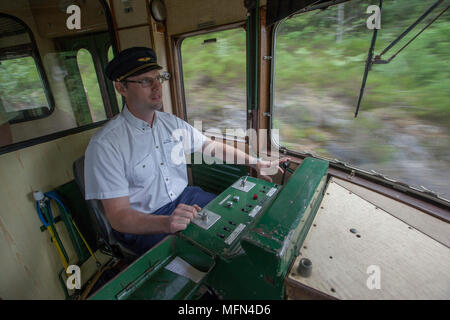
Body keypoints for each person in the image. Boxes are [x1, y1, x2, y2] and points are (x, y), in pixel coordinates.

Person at [84, 47, 288, 256]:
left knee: (240, 224)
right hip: (146, 223)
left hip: (187, 198)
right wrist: (166, 223)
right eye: (145, 81)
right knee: (211, 253)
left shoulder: (170, 122)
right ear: (121, 88)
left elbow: (210, 146)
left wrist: (255, 162)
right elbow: (119, 217)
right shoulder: (105, 145)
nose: (157, 87)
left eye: (158, 78)